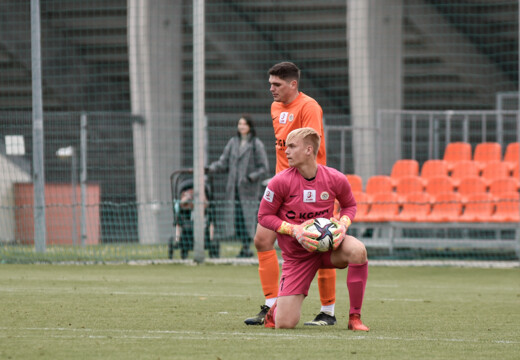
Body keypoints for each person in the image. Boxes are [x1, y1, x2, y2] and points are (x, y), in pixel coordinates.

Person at [244, 61, 338, 326]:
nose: (271, 89)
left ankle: (327, 311)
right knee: (262, 240)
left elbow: (313, 151)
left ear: (293, 84)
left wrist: (305, 182)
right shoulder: (275, 107)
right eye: (270, 84)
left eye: (277, 84)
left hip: (308, 186)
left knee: (320, 245)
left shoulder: (309, 107)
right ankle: (271, 305)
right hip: (281, 184)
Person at [258, 127, 369, 330]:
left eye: (292, 146)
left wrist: (343, 224)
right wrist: (295, 230)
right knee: (284, 324)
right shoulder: (279, 182)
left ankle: (355, 318)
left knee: (358, 250)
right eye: (286, 147)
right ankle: (276, 310)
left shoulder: (335, 178)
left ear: (309, 150)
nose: (286, 151)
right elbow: (264, 216)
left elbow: (350, 206)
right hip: (298, 257)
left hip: (329, 248)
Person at [208, 115, 269, 258]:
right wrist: (211, 168)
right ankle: (244, 246)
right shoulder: (233, 143)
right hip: (234, 189)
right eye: (239, 124)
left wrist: (250, 177)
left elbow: (263, 168)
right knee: (237, 218)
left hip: (248, 190)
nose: (241, 126)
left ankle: (247, 247)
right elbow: (223, 163)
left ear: (250, 126)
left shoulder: (256, 144)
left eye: (244, 124)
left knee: (248, 218)